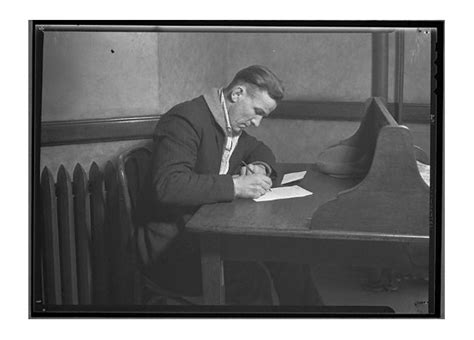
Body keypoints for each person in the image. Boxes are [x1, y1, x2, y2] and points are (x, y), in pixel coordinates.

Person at [136, 65, 323, 305]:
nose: (257, 122)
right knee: (253, 279)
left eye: (262, 116)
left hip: (208, 228)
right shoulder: (184, 120)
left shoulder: (228, 120)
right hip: (175, 244)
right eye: (257, 112)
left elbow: (259, 149)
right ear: (237, 94)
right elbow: (168, 185)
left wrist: (260, 166)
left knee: (289, 256)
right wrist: (236, 186)